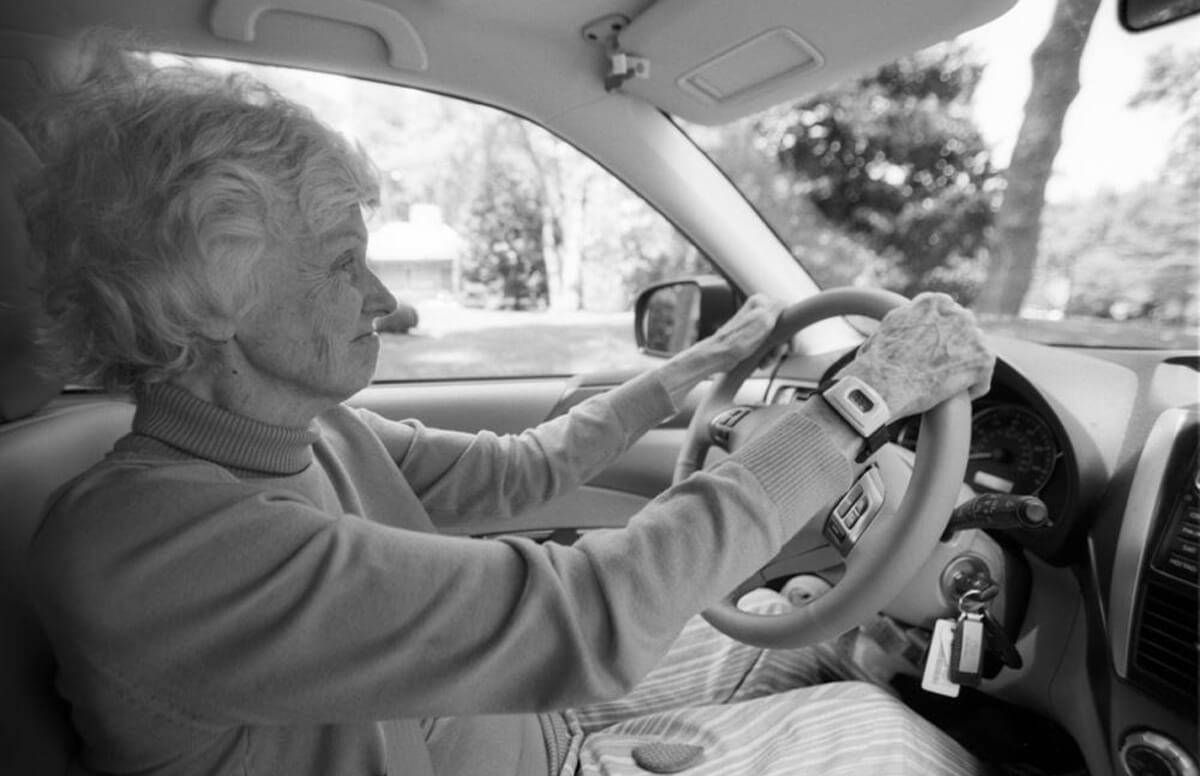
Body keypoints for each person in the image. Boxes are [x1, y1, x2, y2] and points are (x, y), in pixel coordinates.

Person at [20, 37, 995, 776]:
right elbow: (587, 614)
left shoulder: (305, 432)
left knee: (811, 625)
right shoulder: (147, 548)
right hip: (540, 752)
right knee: (890, 737)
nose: (388, 303)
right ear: (216, 288)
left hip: (529, 724)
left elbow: (520, 470)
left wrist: (691, 366)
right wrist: (855, 405)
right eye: (342, 263)